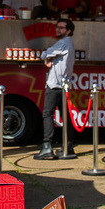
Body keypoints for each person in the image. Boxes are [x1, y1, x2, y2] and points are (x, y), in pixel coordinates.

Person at [34, 18, 76, 160]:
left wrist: (46, 57)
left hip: (55, 85)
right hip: (64, 85)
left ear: (68, 30)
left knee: (47, 114)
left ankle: (47, 146)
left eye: (62, 28)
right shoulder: (68, 44)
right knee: (65, 117)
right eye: (57, 27)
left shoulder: (63, 43)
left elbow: (45, 54)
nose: (58, 29)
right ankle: (68, 146)